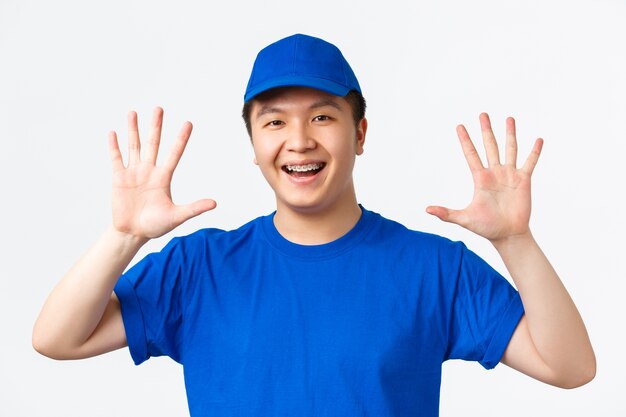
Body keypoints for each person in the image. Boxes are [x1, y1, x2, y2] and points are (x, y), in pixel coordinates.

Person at [33, 34, 595, 416]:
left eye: (322, 116)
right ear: (253, 145)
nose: (299, 140)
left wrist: (515, 242)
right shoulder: (198, 268)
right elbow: (57, 339)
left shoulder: (433, 268)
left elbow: (570, 368)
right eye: (274, 121)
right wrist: (124, 237)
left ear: (361, 134)